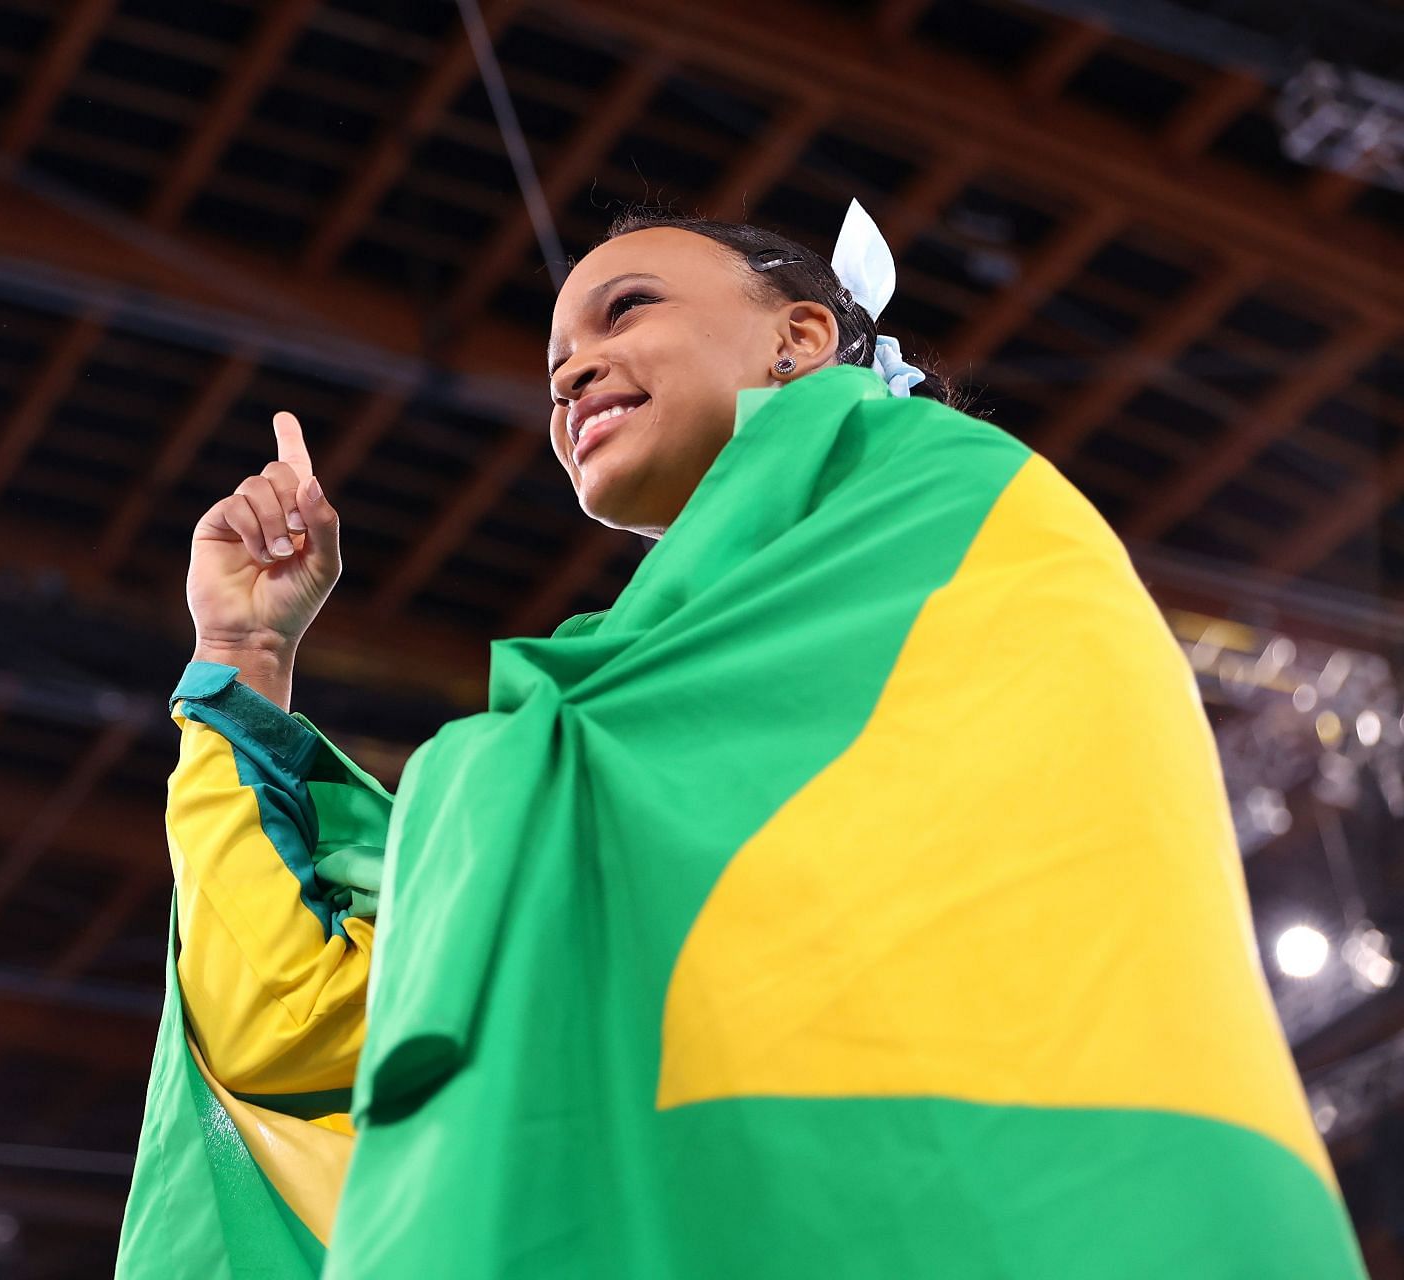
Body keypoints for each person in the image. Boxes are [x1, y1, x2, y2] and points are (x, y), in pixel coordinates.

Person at [115, 203, 1366, 1278]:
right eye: (555, 354)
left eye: (625, 309)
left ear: (801, 337)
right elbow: (306, 1025)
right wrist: (243, 659)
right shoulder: (604, 739)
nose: (568, 372)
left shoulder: (963, 520)